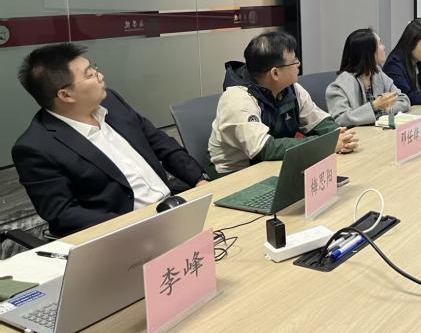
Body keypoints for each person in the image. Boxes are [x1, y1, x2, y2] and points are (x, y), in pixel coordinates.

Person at [12, 43, 209, 237]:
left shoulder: (111, 101)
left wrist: (199, 179)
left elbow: (160, 143)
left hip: (173, 209)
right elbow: (64, 215)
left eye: (94, 68)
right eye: (90, 75)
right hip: (126, 232)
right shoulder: (36, 148)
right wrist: (135, 224)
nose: (100, 76)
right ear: (65, 95)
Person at [208, 31, 358, 176]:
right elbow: (265, 149)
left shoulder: (291, 88)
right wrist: (325, 144)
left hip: (274, 166)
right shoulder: (237, 99)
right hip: (234, 175)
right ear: (275, 73)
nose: (299, 64)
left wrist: (340, 137)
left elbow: (319, 121)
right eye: (294, 61)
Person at [326, 28, 410, 127]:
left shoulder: (377, 73)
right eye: (380, 44)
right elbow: (340, 120)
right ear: (368, 52)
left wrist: (382, 109)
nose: (384, 47)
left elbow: (404, 100)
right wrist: (374, 106)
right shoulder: (341, 85)